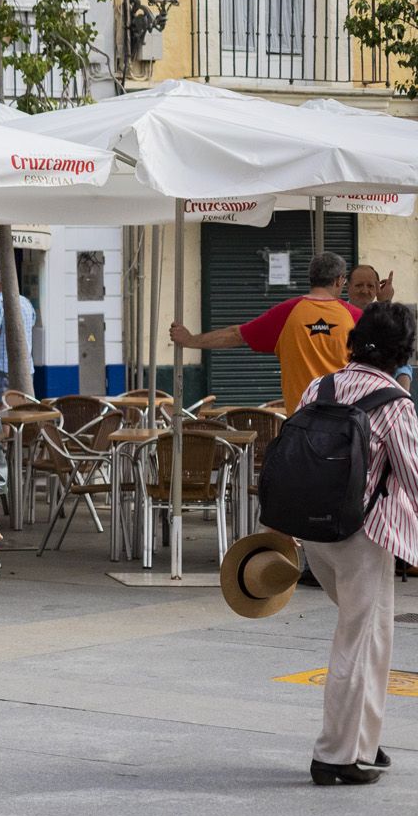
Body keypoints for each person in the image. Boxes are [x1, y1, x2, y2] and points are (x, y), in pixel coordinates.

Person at [292, 302, 418, 786]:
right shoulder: (394, 403)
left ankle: (363, 737)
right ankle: (336, 755)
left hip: (315, 532)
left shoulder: (320, 386)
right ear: (403, 353)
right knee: (359, 640)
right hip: (364, 535)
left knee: (374, 634)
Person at [171, 251, 359, 414]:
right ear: (339, 280)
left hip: (301, 423)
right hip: (345, 419)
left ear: (310, 277)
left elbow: (236, 335)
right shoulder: (354, 316)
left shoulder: (287, 313)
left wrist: (191, 340)